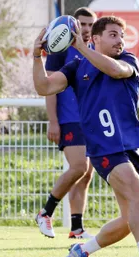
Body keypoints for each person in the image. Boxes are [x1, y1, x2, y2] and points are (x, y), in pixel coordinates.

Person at [33, 16, 139, 257]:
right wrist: (36, 57)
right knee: (136, 193)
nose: (120, 40)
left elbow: (115, 70)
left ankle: (83, 249)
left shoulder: (127, 60)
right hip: (104, 147)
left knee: (129, 219)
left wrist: (80, 47)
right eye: (113, 35)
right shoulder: (76, 67)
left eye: (122, 35)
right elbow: (44, 87)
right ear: (95, 39)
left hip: (128, 146)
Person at [35, 7, 97, 239]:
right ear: (73, 26)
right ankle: (45, 212)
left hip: (89, 119)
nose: (87, 29)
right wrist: (53, 121)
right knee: (79, 167)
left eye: (91, 25)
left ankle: (77, 229)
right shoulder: (59, 49)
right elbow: (49, 87)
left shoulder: (93, 49)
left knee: (86, 174)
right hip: (69, 119)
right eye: (82, 24)